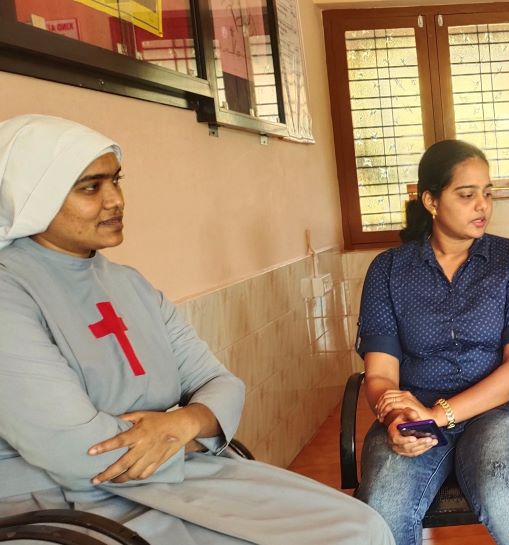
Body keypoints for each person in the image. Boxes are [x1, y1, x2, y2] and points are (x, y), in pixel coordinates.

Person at [0, 114, 394, 545]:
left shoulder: (130, 283)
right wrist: (191, 433)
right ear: (32, 195)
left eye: (116, 180)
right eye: (91, 187)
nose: (116, 199)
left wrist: (183, 424)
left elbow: (222, 385)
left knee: (361, 528)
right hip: (66, 505)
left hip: (176, 476)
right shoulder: (9, 293)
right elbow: (77, 452)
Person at [353, 139, 509, 545]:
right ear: (430, 200)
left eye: (487, 193)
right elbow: (379, 374)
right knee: (381, 505)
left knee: (501, 490)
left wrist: (439, 413)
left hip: (502, 410)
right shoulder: (389, 270)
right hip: (416, 414)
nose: (482, 205)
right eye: (467, 195)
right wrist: (395, 415)